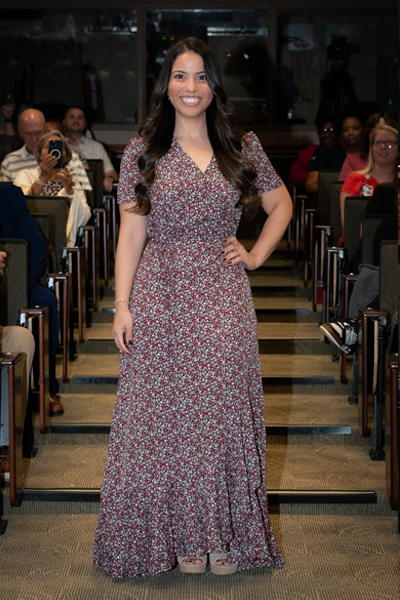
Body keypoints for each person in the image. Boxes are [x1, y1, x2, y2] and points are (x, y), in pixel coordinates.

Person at [93, 38, 291, 578]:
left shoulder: (241, 144)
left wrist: (254, 256)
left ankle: (220, 533)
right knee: (164, 418)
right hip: (160, 290)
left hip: (223, 292)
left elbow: (281, 204)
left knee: (220, 411)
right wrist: (122, 304)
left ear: (213, 86)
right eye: (180, 76)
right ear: (166, 86)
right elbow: (131, 235)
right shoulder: (144, 150)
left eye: (200, 77)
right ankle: (178, 534)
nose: (190, 87)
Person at [0, 183, 63, 415]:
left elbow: (36, 246)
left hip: (16, 282)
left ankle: (44, 388)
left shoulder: (8, 195)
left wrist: (17, 287)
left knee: (44, 299)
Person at [13, 130, 91, 247]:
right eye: (48, 146)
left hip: (61, 240)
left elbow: (85, 218)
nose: (54, 151)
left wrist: (70, 191)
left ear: (66, 155)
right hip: (29, 238)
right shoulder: (24, 175)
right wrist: (43, 177)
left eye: (61, 147)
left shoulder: (72, 182)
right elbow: (19, 208)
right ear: (39, 153)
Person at [0, 108, 92, 196]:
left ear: (46, 129)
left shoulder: (69, 157)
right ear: (20, 131)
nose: (34, 139)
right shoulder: (10, 162)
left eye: (38, 132)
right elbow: (5, 199)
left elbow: (83, 203)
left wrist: (70, 189)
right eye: (28, 133)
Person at [339, 125, 397, 231]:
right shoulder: (354, 179)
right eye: (378, 143)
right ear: (371, 149)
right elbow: (347, 223)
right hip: (356, 241)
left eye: (389, 143)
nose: (383, 146)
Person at [63, 106, 118, 192]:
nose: (76, 121)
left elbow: (112, 174)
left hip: (91, 197)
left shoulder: (96, 147)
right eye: (71, 117)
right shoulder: (58, 145)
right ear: (64, 121)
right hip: (63, 194)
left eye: (80, 118)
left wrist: (109, 179)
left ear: (85, 123)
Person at [339, 112, 398, 181]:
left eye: (385, 130)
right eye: (376, 131)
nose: (381, 135)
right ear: (368, 134)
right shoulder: (352, 161)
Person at [304, 116, 346, 198]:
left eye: (331, 131)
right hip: (325, 198)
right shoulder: (319, 155)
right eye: (323, 131)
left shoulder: (348, 154)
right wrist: (334, 189)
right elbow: (310, 186)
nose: (327, 134)